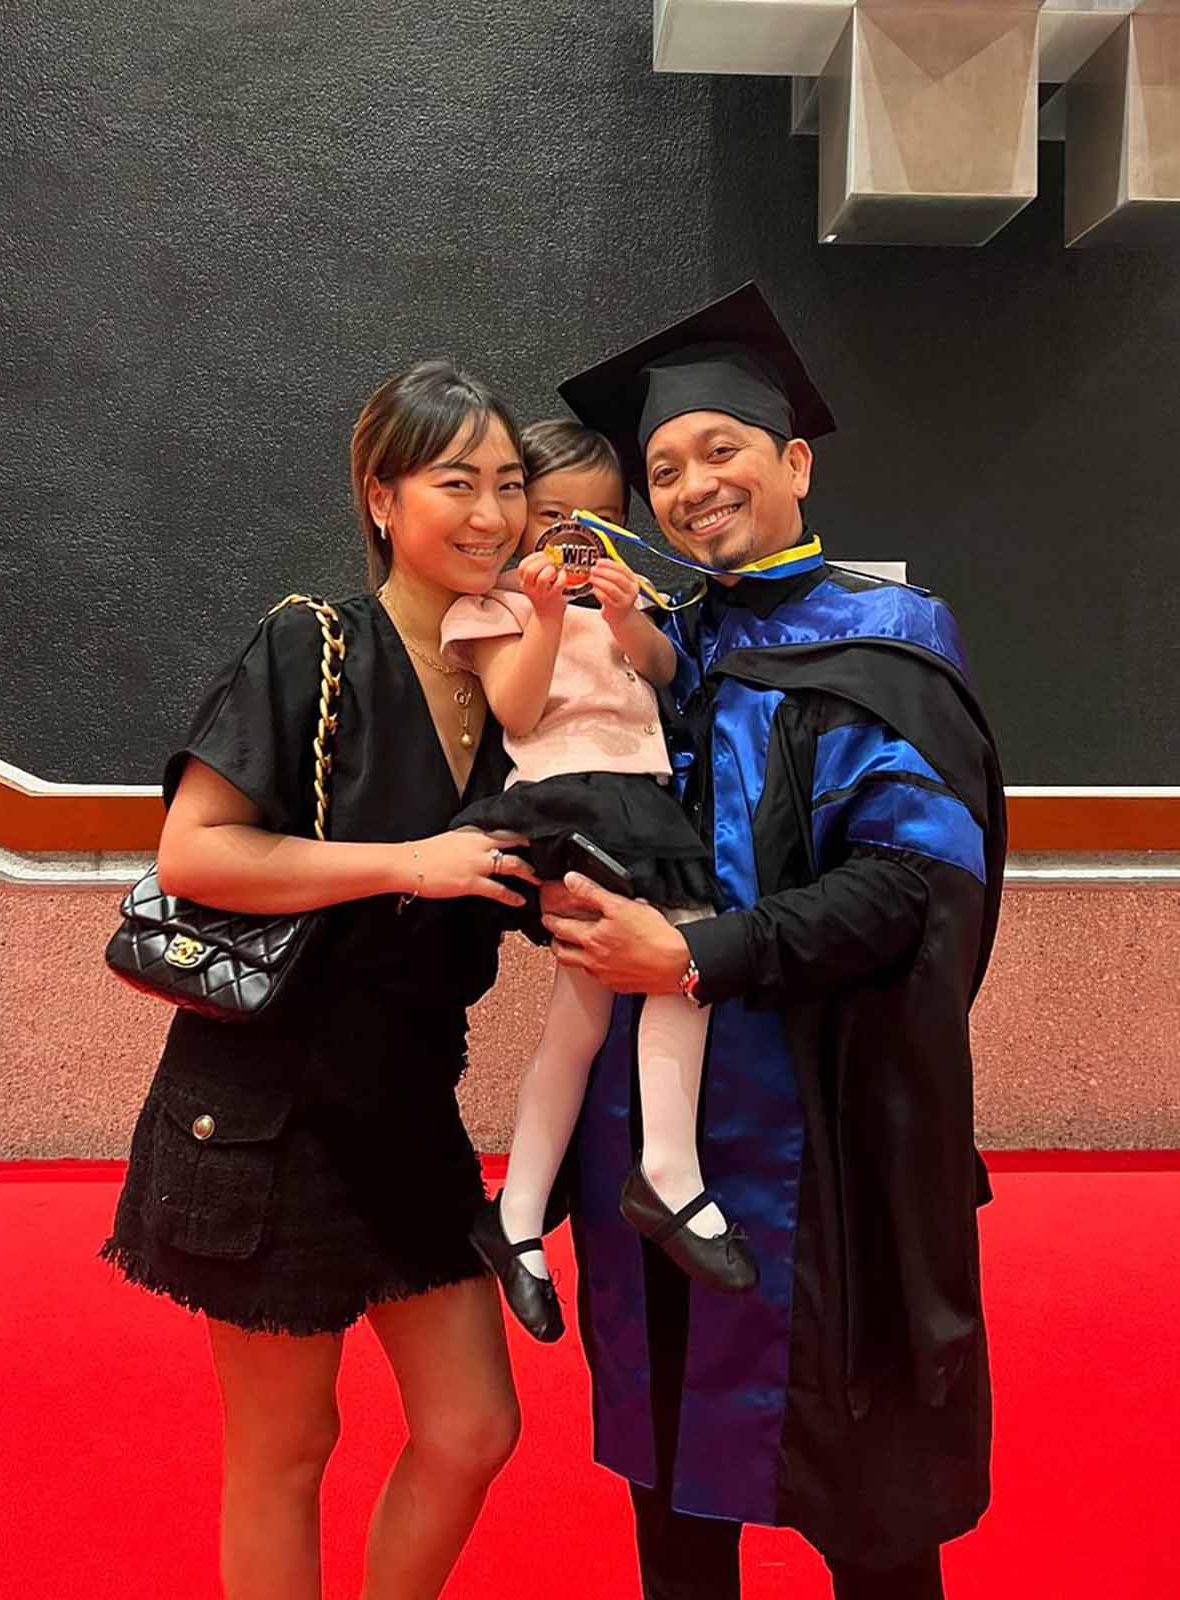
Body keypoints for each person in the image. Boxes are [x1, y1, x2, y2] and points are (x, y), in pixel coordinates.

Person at [539, 284, 1006, 1600]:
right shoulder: (651, 646)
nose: (691, 486)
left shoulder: (888, 642)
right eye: (663, 469)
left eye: (721, 450)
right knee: (674, 1497)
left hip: (829, 1135)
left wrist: (696, 956)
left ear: (794, 461)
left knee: (868, 1505)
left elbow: (908, 889)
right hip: (652, 1142)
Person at [101, 359, 541, 1600]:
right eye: (455, 481)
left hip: (408, 1106)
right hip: (265, 1102)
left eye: (509, 483)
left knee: (472, 1427)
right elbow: (195, 851)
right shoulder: (311, 641)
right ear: (380, 498)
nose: (492, 513)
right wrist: (408, 861)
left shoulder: (513, 675)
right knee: (286, 1446)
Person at [440, 420, 754, 1345]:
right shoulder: (490, 606)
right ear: (518, 520)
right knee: (677, 967)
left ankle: (519, 1211)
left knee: (594, 1009)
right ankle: (666, 1172)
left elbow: (666, 674)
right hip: (567, 801)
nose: (577, 538)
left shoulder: (631, 596)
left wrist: (625, 618)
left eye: (602, 519)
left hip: (643, 805)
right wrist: (545, 615)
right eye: (554, 518)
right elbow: (516, 709)